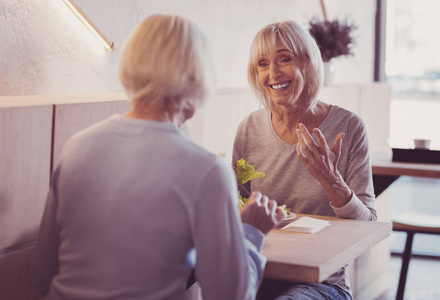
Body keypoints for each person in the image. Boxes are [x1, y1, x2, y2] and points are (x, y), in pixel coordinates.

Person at [33, 14, 284, 300]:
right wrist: (250, 232)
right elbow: (230, 296)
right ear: (196, 78)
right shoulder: (207, 170)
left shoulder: (75, 147)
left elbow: (42, 276)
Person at [232, 20, 377, 300]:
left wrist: (331, 180)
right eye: (263, 64)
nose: (273, 73)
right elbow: (237, 212)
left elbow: (367, 226)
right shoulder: (248, 129)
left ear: (308, 64)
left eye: (284, 59)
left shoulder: (349, 126)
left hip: (321, 284)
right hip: (257, 274)